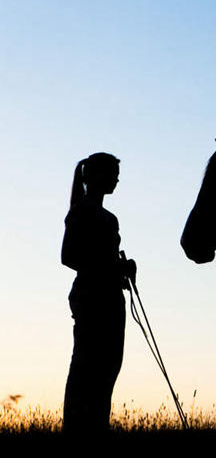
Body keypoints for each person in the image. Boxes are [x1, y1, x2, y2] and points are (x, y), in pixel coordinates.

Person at [61, 152, 136, 433]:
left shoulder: (107, 217)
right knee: (87, 367)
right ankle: (80, 429)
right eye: (112, 173)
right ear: (95, 177)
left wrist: (121, 267)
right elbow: (69, 256)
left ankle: (95, 428)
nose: (116, 179)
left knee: (107, 369)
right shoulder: (81, 212)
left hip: (109, 297)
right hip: (93, 298)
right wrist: (112, 269)